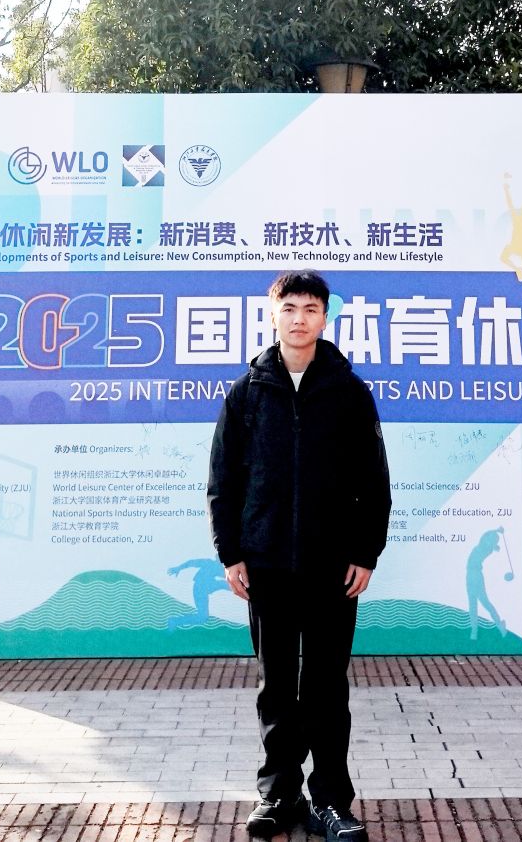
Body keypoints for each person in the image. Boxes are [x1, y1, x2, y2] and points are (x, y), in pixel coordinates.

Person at [207, 270, 391, 841]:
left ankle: (331, 800)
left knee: (328, 687)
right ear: (273, 315)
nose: (299, 319)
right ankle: (279, 794)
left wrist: (365, 552)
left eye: (311, 309)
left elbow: (374, 482)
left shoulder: (349, 392)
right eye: (289, 308)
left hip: (332, 565)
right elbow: (223, 482)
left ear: (325, 318)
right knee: (277, 685)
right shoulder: (246, 393)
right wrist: (231, 553)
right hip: (266, 564)